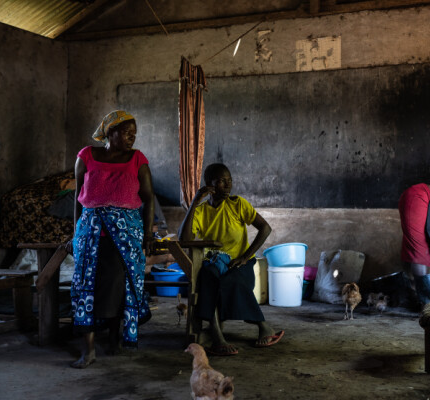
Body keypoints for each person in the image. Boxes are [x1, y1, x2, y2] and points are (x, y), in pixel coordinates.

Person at [67, 110, 155, 368]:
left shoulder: (137, 159)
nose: (132, 137)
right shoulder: (86, 156)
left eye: (134, 133)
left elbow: (149, 198)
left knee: (118, 287)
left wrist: (148, 234)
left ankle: (115, 338)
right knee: (86, 287)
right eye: (127, 132)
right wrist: (76, 233)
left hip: (125, 237)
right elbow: (78, 198)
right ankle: (89, 350)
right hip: (91, 234)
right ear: (109, 132)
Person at [178, 163, 284, 356]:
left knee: (230, 281)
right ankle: (217, 337)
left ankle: (264, 327)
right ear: (208, 185)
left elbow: (265, 228)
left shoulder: (237, 204)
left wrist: (245, 257)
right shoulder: (201, 211)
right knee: (208, 276)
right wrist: (195, 201)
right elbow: (184, 239)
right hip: (216, 262)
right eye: (221, 181)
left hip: (239, 264)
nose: (227, 186)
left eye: (229, 181)